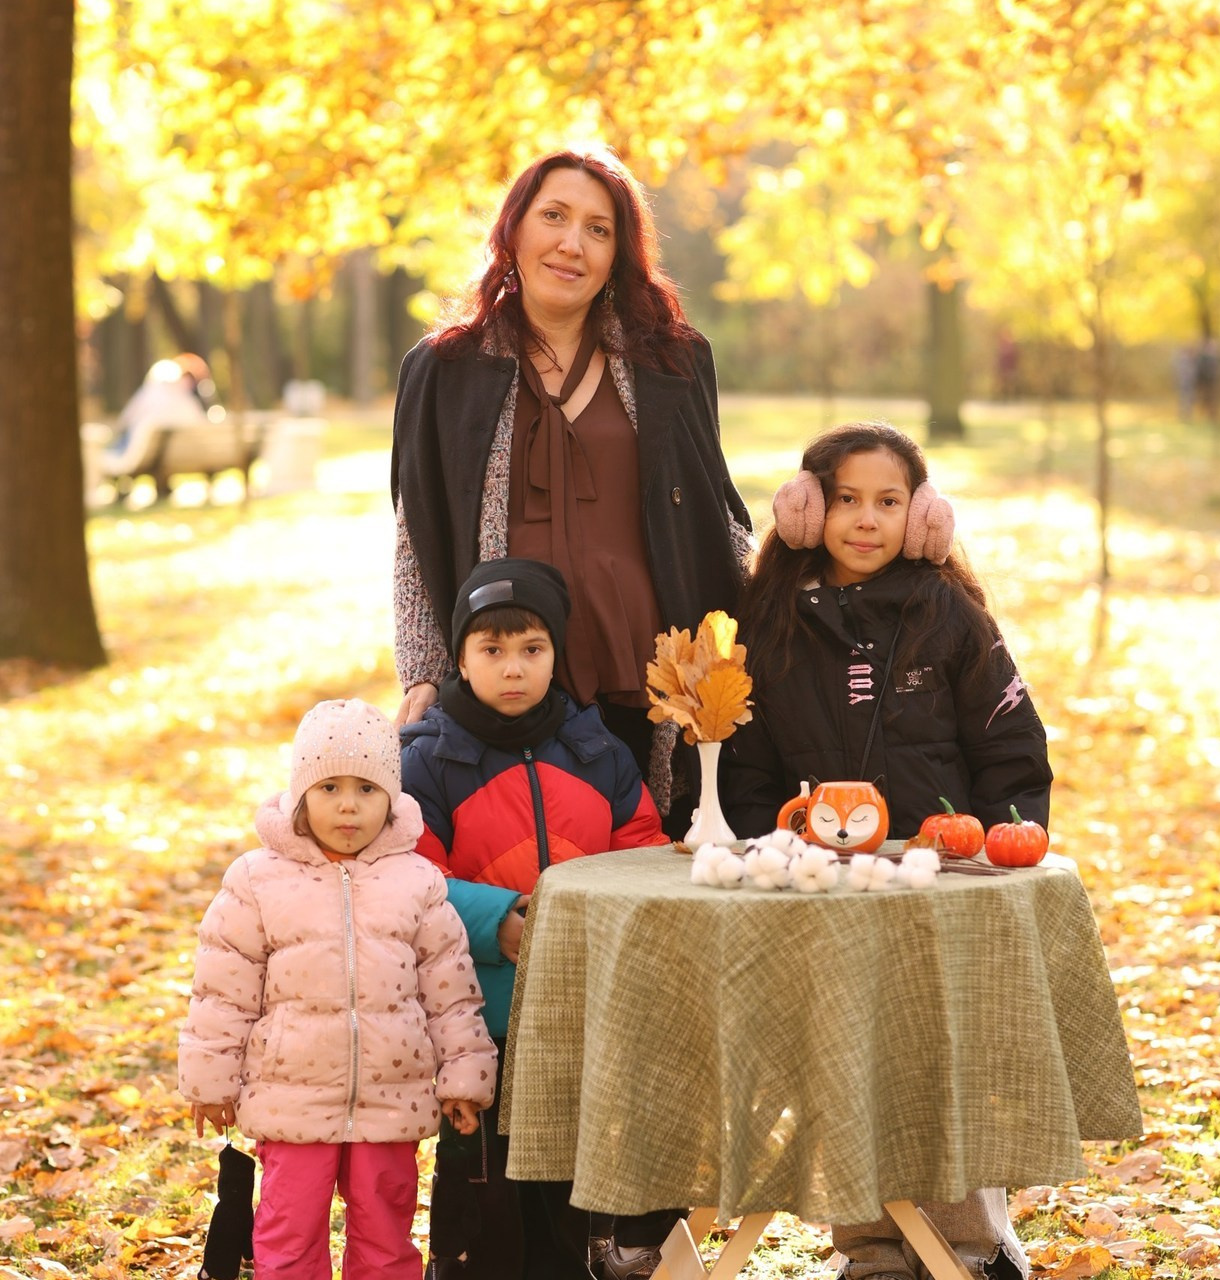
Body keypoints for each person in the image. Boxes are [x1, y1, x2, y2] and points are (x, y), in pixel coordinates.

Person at [721, 421, 1053, 1280]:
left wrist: (1002, 846)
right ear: (804, 509)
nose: (865, 520)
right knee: (850, 1064)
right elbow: (749, 766)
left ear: (923, 515)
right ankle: (871, 1247)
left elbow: (1009, 742)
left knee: (939, 1060)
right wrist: (773, 849)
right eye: (845, 500)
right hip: (827, 888)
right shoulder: (773, 623)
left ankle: (970, 1245)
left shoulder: (947, 612)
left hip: (939, 881)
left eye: (889, 502)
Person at [389, 145, 752, 832]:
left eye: (598, 228)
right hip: (507, 671)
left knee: (649, 856)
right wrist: (424, 671)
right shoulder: (445, 368)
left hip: (650, 673)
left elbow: (718, 513)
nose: (571, 243)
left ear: (619, 254)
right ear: (514, 230)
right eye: (553, 216)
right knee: (525, 870)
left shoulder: (672, 360)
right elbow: (416, 538)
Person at [400, 557, 671, 1280]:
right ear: (460, 657)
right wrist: (498, 919)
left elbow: (642, 848)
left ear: (556, 654)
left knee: (571, 1170)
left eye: (531, 649)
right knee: (483, 1181)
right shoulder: (428, 761)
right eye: (491, 650)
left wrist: (598, 925)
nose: (512, 668)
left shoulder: (598, 751)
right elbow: (408, 879)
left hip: (583, 1004)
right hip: (477, 1009)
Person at [178, 698, 498, 1280]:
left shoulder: (417, 882)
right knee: (287, 1237)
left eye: (367, 789)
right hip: (290, 1100)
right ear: (301, 794)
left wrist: (463, 1076)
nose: (348, 805)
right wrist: (210, 1080)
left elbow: (450, 989)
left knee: (386, 1237)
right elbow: (223, 989)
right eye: (329, 788)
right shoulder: (258, 880)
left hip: (389, 1101)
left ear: (392, 799)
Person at [108, 353, 217, 456]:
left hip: (140, 454)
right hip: (183, 457)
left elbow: (126, 418)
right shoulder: (190, 405)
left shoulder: (153, 393)